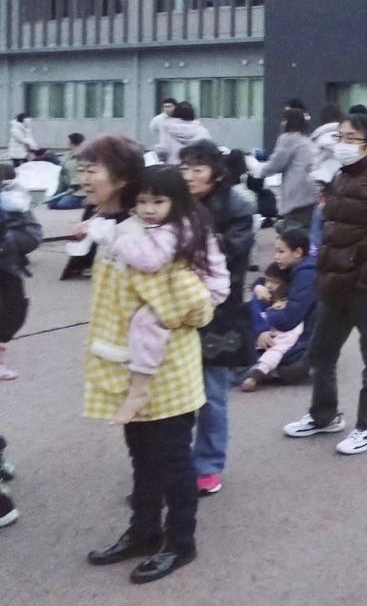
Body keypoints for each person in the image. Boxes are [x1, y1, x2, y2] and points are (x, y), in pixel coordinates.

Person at [79, 135, 223, 584]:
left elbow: (191, 304)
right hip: (133, 365)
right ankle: (143, 532)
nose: (81, 179)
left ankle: (180, 543)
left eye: (90, 170)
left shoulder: (147, 235)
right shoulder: (121, 225)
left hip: (165, 371)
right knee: (142, 457)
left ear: (120, 178)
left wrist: (167, 310)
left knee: (173, 463)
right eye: (80, 169)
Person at [283, 114, 367, 455]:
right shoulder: (341, 177)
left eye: (349, 138)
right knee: (321, 353)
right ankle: (324, 416)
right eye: (339, 136)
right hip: (335, 285)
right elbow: (331, 231)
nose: (341, 144)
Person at [102, 165, 229, 426]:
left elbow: (150, 261)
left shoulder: (176, 227)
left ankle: (141, 384)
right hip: (193, 285)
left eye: (158, 202)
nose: (148, 210)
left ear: (176, 200)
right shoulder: (179, 220)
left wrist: (119, 240)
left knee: (147, 322)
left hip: (205, 289)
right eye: (142, 202)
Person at [179, 140, 255, 496]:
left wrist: (193, 240)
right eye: (185, 169)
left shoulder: (237, 205)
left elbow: (232, 252)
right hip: (175, 310)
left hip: (219, 312)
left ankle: (208, 465)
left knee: (212, 392)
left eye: (198, 169)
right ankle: (175, 460)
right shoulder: (172, 200)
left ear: (216, 171)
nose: (190, 176)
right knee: (172, 390)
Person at [244, 227, 316, 391]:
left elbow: (290, 317)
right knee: (252, 306)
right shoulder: (293, 267)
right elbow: (267, 278)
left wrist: (264, 319)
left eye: (281, 251)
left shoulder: (306, 275)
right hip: (294, 329)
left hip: (301, 337)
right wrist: (258, 287)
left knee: (248, 325)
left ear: (297, 252)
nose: (276, 256)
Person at [0, 164, 41, 380]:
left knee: (13, 309)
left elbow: (31, 234)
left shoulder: (11, 196)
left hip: (6, 258)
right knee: (12, 309)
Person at [249, 108, 318, 235]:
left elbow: (276, 164)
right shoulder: (306, 140)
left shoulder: (289, 138)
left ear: (288, 122)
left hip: (296, 196)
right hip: (310, 194)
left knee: (293, 235)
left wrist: (256, 170)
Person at [47, 132, 87, 209]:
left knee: (63, 205)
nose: (67, 143)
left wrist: (74, 185)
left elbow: (82, 172)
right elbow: (63, 172)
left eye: (68, 141)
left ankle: (85, 202)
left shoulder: (83, 156)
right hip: (67, 189)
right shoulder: (68, 155)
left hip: (79, 191)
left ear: (72, 142)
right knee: (51, 204)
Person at [309, 104, 344, 187]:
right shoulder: (345, 136)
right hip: (343, 179)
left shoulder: (321, 137)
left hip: (322, 178)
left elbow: (313, 160)